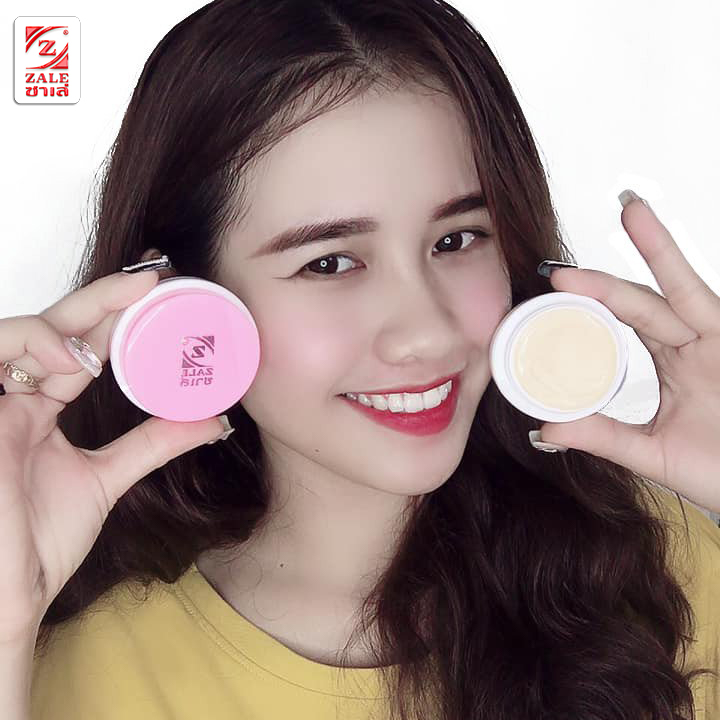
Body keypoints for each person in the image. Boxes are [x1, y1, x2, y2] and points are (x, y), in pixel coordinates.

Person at [1, 0, 719, 718]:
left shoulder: (665, 573)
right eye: (330, 262)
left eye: (456, 240)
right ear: (184, 302)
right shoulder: (68, 668)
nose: (428, 334)